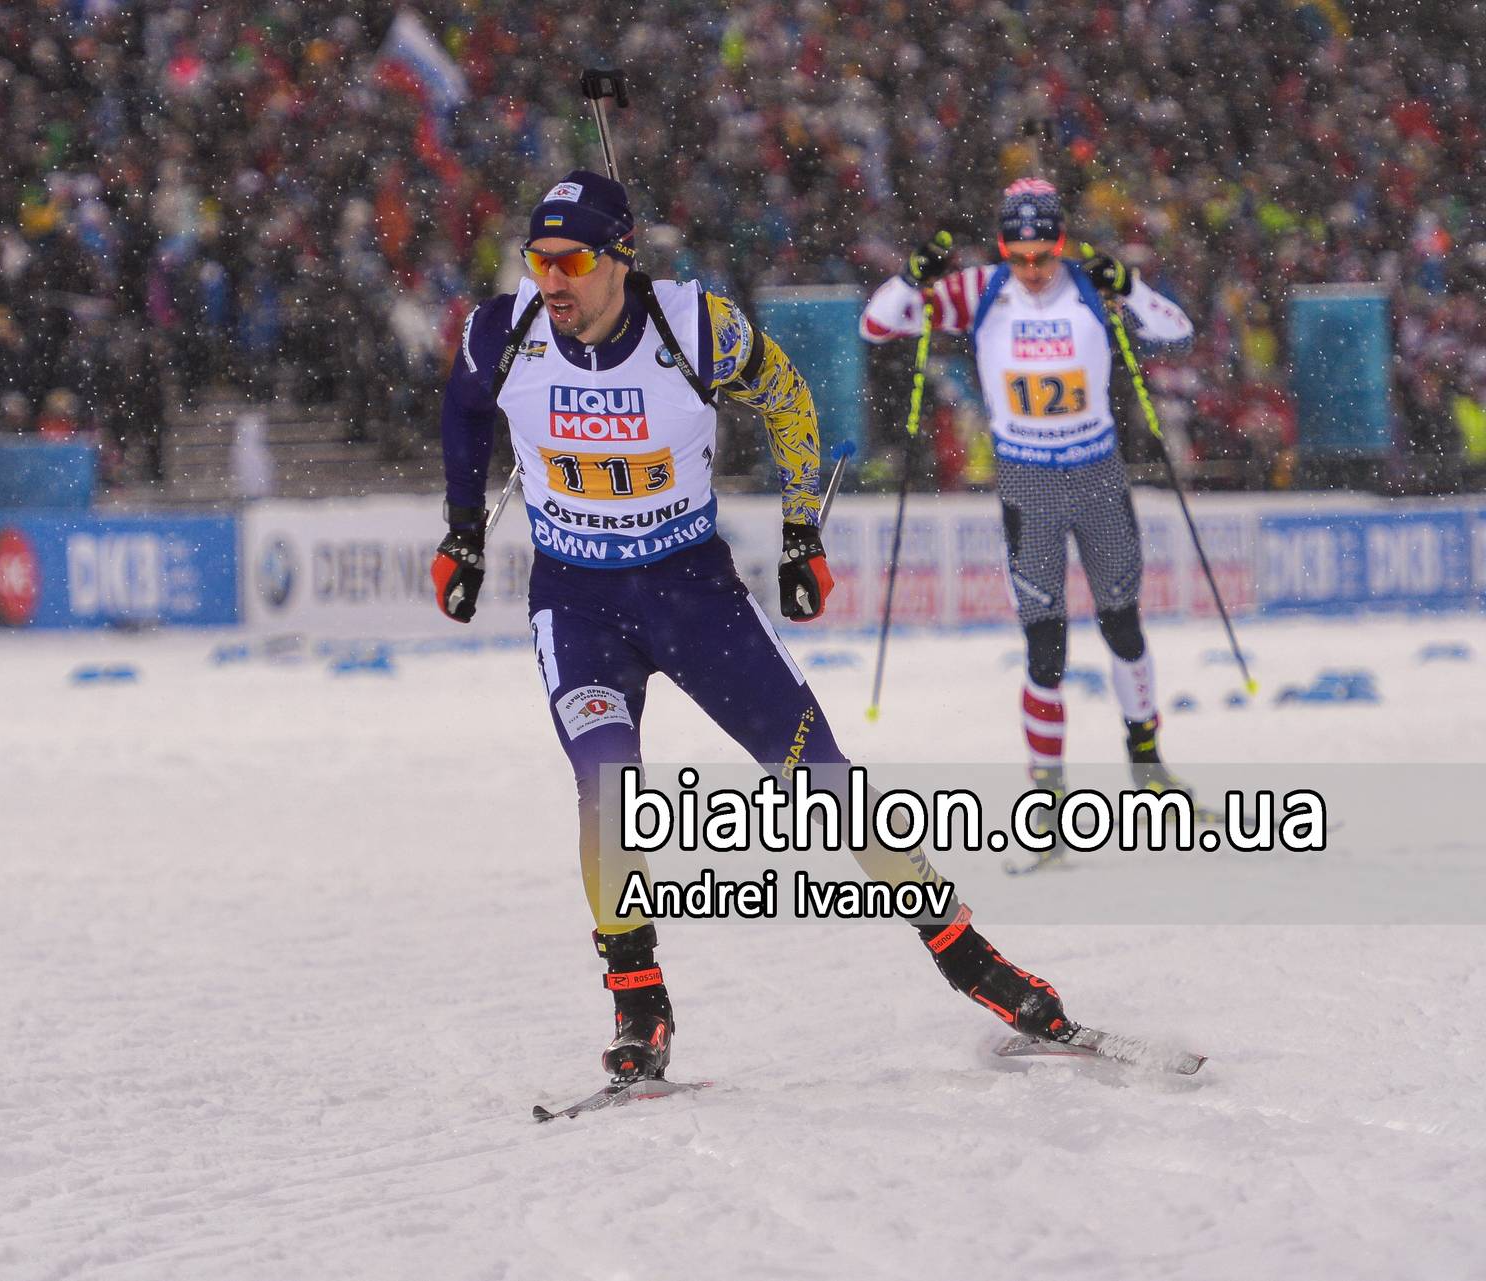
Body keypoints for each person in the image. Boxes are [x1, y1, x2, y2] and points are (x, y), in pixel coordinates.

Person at [432, 169, 1074, 1084]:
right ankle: (639, 1005)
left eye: (571, 261)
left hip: (693, 597)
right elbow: (461, 413)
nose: (552, 282)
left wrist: (801, 529)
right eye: (539, 261)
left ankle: (967, 956)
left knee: (825, 780)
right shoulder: (505, 332)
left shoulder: (695, 327)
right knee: (605, 785)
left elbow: (789, 399)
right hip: (577, 606)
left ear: (621, 259)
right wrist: (461, 535)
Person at [860, 178, 1196, 814]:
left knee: (1123, 626)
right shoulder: (982, 289)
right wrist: (911, 278)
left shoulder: (1090, 285)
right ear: (1002, 248)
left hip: (1097, 474)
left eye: (1044, 255)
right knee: (1046, 646)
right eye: (1020, 257)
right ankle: (1047, 791)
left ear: (1062, 242)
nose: (1034, 269)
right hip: (1028, 481)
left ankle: (1147, 764)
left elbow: (1175, 330)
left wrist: (1129, 285)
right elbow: (875, 326)